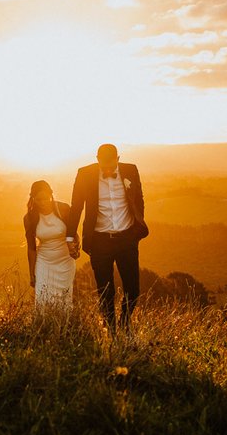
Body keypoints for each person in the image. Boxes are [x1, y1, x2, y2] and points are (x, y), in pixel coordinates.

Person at [66, 143, 148, 333]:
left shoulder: (131, 170)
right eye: (104, 166)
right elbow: (76, 206)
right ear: (97, 160)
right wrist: (70, 237)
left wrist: (137, 228)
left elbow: (139, 199)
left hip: (127, 238)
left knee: (133, 290)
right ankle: (111, 331)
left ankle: (125, 324)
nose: (108, 169)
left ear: (118, 159)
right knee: (105, 291)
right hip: (99, 240)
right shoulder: (84, 174)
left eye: (112, 165)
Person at [23, 180, 78, 309]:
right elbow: (31, 248)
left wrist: (75, 247)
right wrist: (31, 273)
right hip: (44, 261)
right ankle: (44, 327)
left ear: (51, 195)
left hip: (65, 261)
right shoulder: (29, 218)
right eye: (38, 200)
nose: (42, 203)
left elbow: (74, 234)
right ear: (33, 199)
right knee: (43, 299)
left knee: (64, 300)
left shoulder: (63, 209)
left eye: (45, 199)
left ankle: (63, 328)